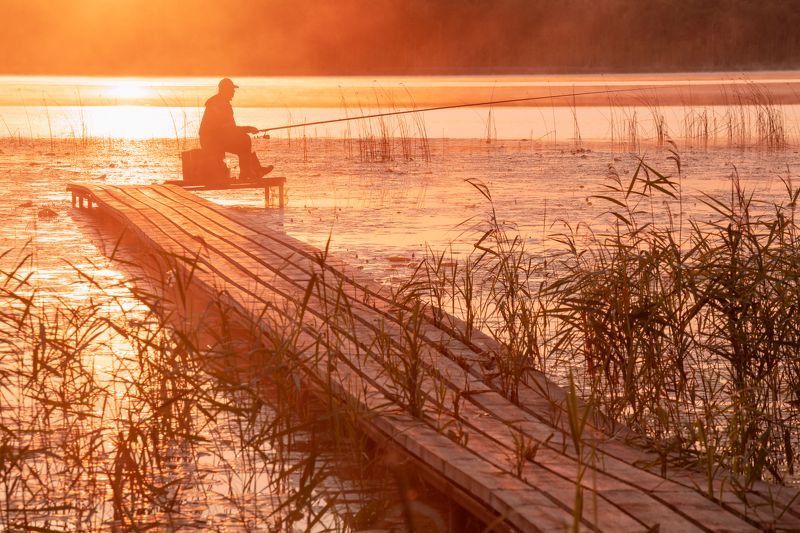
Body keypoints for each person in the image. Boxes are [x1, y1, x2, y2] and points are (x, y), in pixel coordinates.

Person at [199, 78, 273, 179]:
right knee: (244, 140)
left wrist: (247, 129)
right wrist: (248, 129)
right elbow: (230, 130)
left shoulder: (217, 102)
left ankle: (254, 170)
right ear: (225, 90)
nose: (233, 93)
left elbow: (228, 130)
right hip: (213, 141)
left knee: (243, 141)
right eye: (231, 90)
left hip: (212, 139)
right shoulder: (222, 105)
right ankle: (248, 172)